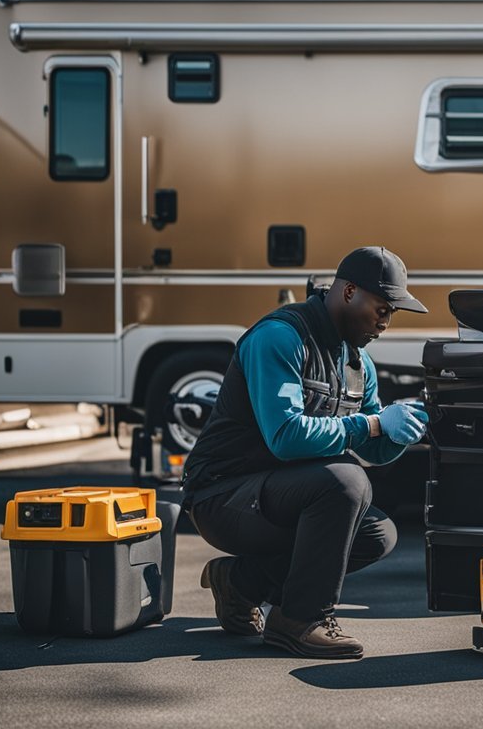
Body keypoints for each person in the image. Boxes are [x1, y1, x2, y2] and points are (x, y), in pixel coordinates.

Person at [181, 246, 430, 659]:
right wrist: (373, 423)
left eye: (391, 314)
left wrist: (403, 431)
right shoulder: (280, 337)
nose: (385, 323)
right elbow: (286, 437)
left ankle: (239, 583)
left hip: (280, 493)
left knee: (376, 533)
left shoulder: (358, 362)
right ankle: (300, 620)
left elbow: (375, 448)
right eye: (382, 309)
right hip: (221, 496)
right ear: (349, 292)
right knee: (345, 482)